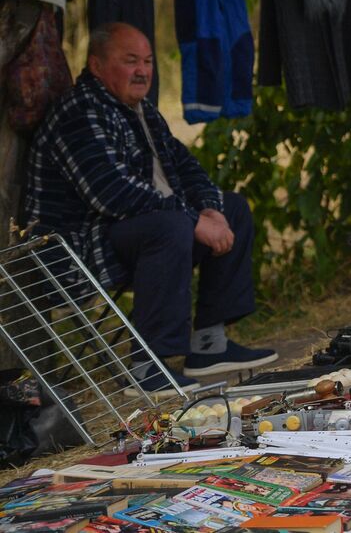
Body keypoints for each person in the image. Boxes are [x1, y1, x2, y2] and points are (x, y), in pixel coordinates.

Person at [21, 22, 277, 392]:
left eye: (147, 61)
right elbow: (113, 193)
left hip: (131, 236)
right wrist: (193, 221)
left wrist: (209, 210)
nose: (142, 70)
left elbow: (186, 166)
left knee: (231, 207)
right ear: (96, 65)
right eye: (130, 61)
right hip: (77, 249)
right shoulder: (81, 111)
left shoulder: (140, 110)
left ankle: (209, 345)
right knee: (171, 226)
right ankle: (147, 367)